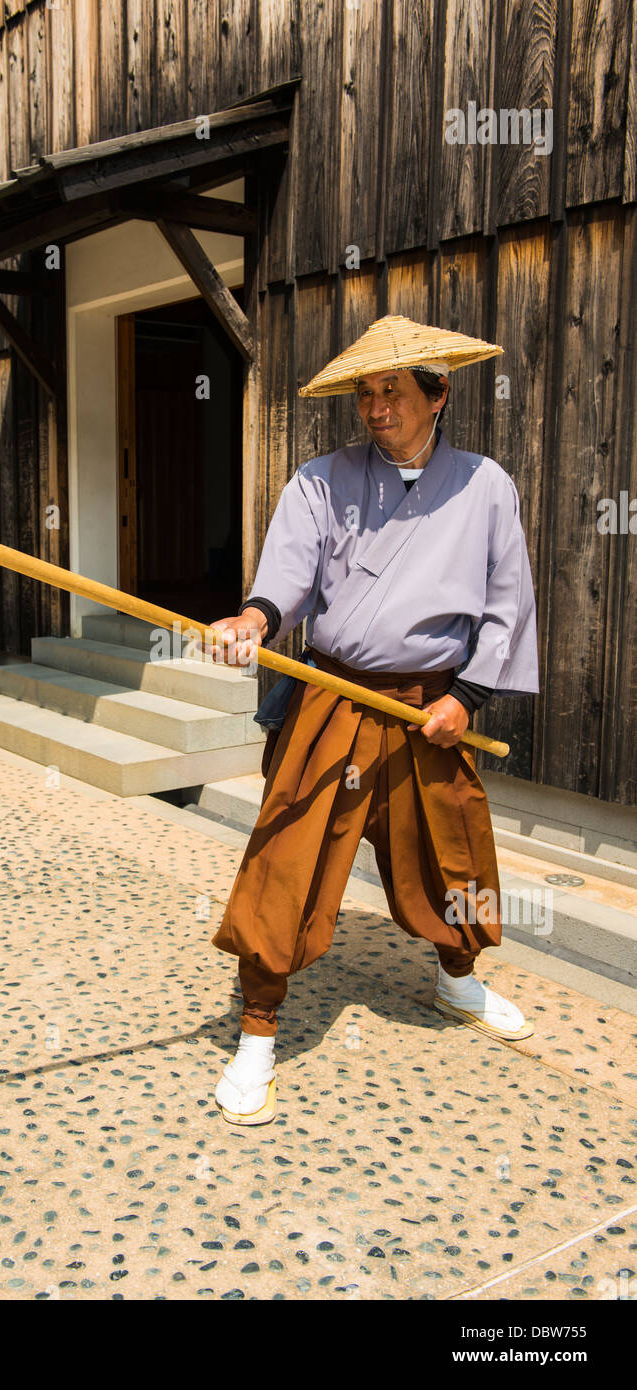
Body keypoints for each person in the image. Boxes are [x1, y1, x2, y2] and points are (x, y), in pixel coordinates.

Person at [202, 315, 540, 1126]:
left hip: (430, 704)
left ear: (438, 394)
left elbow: (506, 604)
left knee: (450, 846)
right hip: (335, 695)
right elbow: (284, 573)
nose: (375, 406)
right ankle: (257, 1029)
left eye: (392, 390)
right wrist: (254, 618)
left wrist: (469, 697)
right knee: (287, 851)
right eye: (365, 393)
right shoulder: (319, 479)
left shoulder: (486, 485)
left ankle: (456, 978)